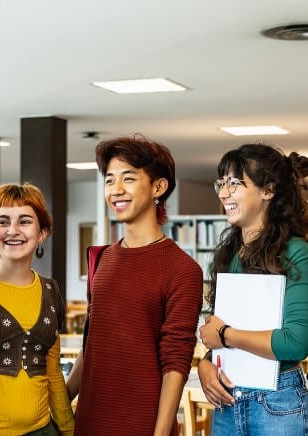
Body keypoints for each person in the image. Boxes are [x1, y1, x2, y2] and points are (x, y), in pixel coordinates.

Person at [67, 135, 203, 436]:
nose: (116, 190)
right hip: (90, 421)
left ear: (158, 187)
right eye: (109, 180)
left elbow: (175, 362)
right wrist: (62, 404)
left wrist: (160, 431)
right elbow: (91, 346)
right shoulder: (100, 259)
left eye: (128, 179)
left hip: (143, 421)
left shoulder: (183, 269)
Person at [199, 143, 308, 435]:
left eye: (235, 184)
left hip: (278, 401)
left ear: (268, 190)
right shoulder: (229, 253)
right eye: (221, 183)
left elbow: (295, 342)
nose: (224, 193)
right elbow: (225, 333)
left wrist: (224, 336)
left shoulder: (297, 252)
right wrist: (206, 367)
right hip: (227, 397)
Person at [0, 183, 74, 435]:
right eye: (2, 221)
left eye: (24, 221)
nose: (12, 230)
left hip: (42, 430)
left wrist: (68, 429)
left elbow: (53, 374)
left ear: (42, 232)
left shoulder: (51, 292)